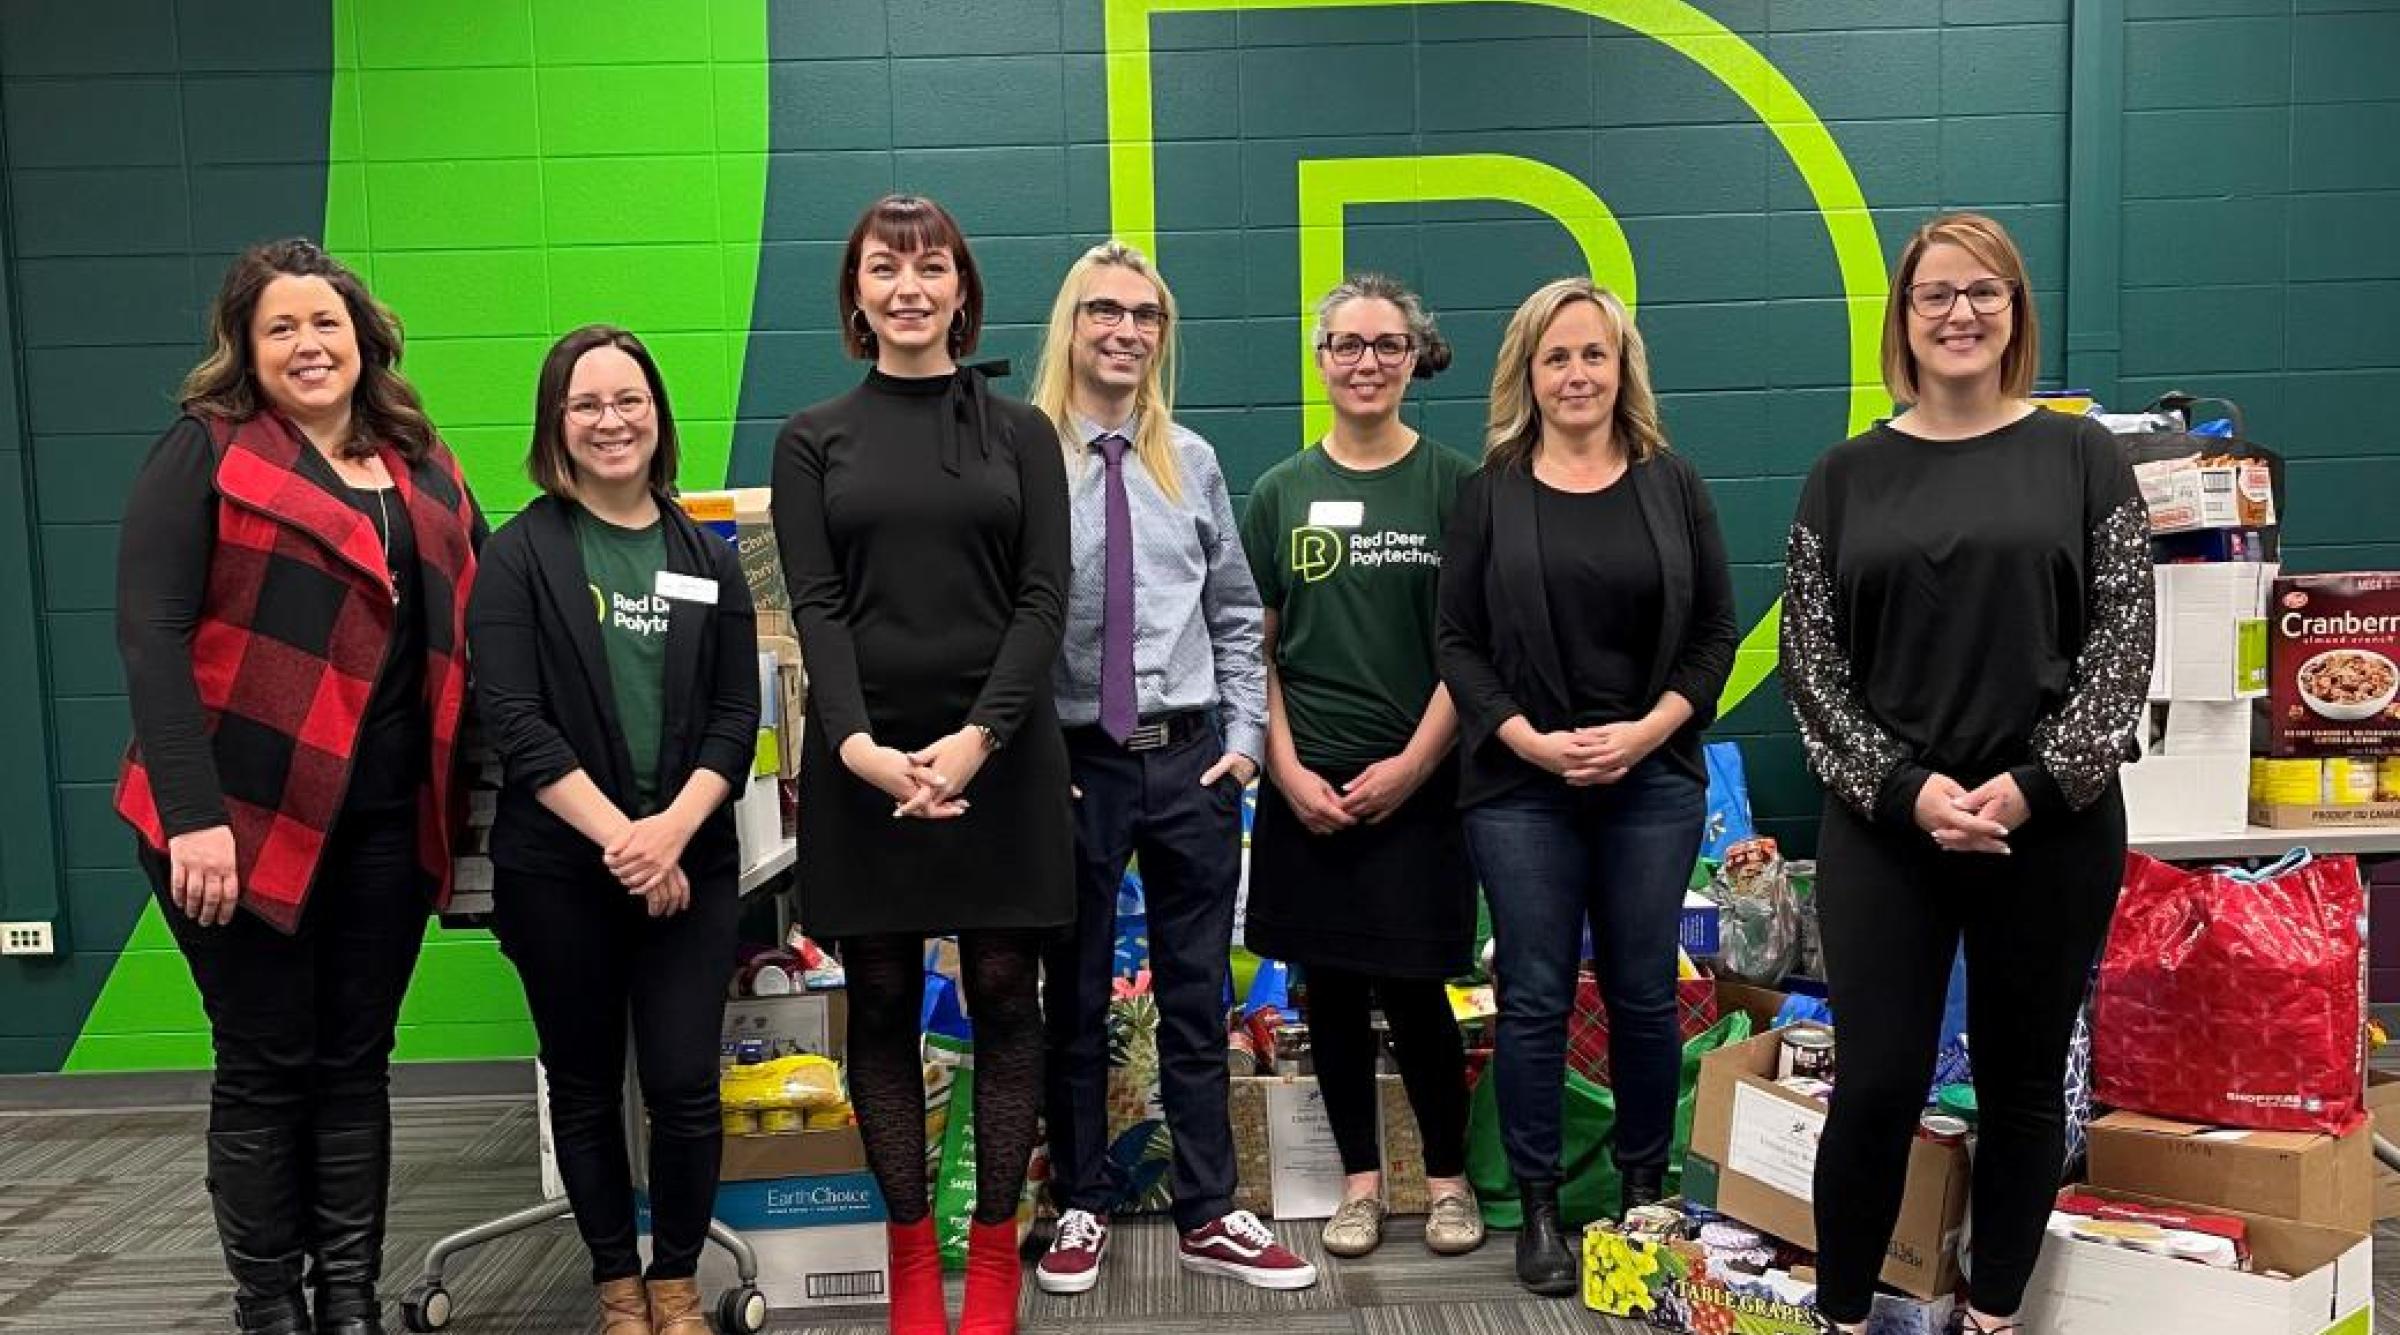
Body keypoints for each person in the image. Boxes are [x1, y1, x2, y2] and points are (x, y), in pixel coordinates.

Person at [1782, 213, 2152, 1335]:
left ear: (2014, 312)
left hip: (2053, 824)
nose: (1960, 314)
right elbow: (1811, 664)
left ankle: (1991, 1316)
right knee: (1881, 1081)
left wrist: (2034, 784)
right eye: (1937, 294)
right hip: (1887, 829)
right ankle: (1842, 1314)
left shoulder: (2081, 456)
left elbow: (2126, 640)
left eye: (1983, 292)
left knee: (2023, 1083)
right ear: (1903, 318)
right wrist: (1908, 792)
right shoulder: (1845, 475)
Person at [114, 239, 484, 1335]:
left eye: (325, 323)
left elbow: (486, 603)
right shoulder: (206, 453)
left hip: (382, 818)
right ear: (246, 348)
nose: (308, 345)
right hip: (237, 818)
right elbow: (152, 637)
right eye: (280, 328)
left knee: (357, 1063)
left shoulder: (421, 464)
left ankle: (350, 1301)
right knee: (268, 1064)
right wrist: (193, 818)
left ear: (363, 337)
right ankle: (270, 1305)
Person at [770, 194, 1070, 1335]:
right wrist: (856, 747)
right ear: (856, 293)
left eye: (929, 266)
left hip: (1003, 752)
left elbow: (1045, 600)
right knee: (884, 1002)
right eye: (883, 268)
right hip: (863, 756)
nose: (907, 286)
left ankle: (991, 1264)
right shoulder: (813, 438)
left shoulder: (1020, 434)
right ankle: (910, 1267)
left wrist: (977, 741)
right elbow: (817, 604)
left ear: (961, 289)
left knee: (1004, 992)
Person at [1435, 277, 1736, 1297]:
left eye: (1593, 355)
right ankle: (1542, 1209)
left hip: (1650, 782)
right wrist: (1528, 739)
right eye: (1555, 356)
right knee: (1533, 998)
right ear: (1528, 371)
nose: (1576, 374)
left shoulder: (1673, 482)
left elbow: (1711, 639)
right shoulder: (1489, 493)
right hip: (1522, 788)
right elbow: (1458, 641)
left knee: (1648, 995)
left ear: (1623, 368)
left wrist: (1644, 732)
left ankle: (1643, 1196)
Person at [1028, 243, 1311, 1295]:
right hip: (1072, 765)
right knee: (1078, 1000)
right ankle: (1082, 1208)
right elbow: (1008, 626)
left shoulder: (1187, 460)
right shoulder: (1027, 458)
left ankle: (1210, 1210)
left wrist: (1242, 745)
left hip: (1188, 761)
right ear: (1072, 325)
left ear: (1162, 335)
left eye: (1145, 315)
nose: (1125, 331)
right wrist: (1021, 758)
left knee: (1198, 997)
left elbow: (1237, 613)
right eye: (1104, 311)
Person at [467, 326, 761, 1335]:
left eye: (628, 400)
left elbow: (736, 716)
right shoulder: (516, 556)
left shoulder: (703, 558)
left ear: (657, 414)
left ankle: (676, 1280)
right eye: (586, 404)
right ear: (558, 423)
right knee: (586, 1086)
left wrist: (670, 835)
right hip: (560, 872)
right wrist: (625, 846)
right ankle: (616, 1287)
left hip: (690, 863)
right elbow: (513, 720)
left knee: (683, 1084)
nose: (610, 421)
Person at [1238, 274, 1482, 1261]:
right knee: (1329, 992)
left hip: (1420, 787)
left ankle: (1449, 1184)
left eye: (1387, 345)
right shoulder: (1279, 492)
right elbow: (1255, 650)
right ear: (1321, 358)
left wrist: (1415, 767)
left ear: (1417, 357)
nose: (1366, 362)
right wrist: (1286, 772)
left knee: (1419, 992)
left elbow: (1470, 650)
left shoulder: (1456, 487)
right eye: (1346, 344)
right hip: (1310, 789)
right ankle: (1360, 1187)